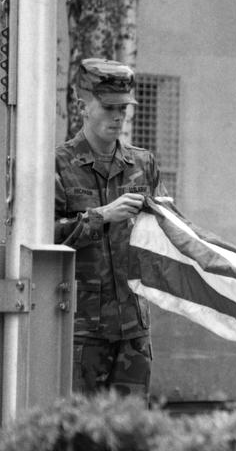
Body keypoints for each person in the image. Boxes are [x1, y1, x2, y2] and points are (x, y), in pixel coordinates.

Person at [54, 58, 168, 400]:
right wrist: (100, 216)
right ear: (81, 104)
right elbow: (44, 238)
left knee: (129, 434)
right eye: (108, 107)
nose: (118, 117)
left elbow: (166, 232)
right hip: (81, 330)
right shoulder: (58, 164)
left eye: (124, 108)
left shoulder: (142, 164)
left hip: (133, 329)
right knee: (83, 434)